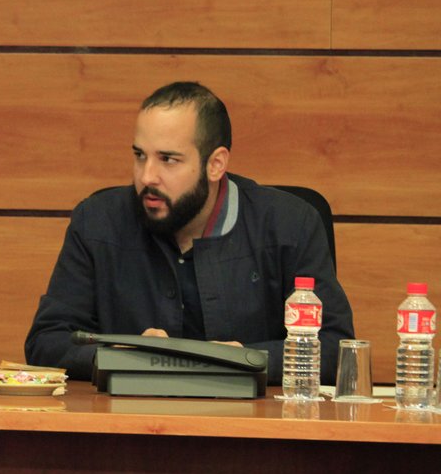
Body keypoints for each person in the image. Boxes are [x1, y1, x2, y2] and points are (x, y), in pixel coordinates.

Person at [24, 81, 354, 383]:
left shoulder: (289, 225)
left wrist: (247, 359)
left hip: (251, 434)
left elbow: (335, 348)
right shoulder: (98, 221)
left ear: (216, 164)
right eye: (140, 156)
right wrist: (118, 357)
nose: (147, 176)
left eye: (168, 159)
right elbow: (47, 340)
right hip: (131, 430)